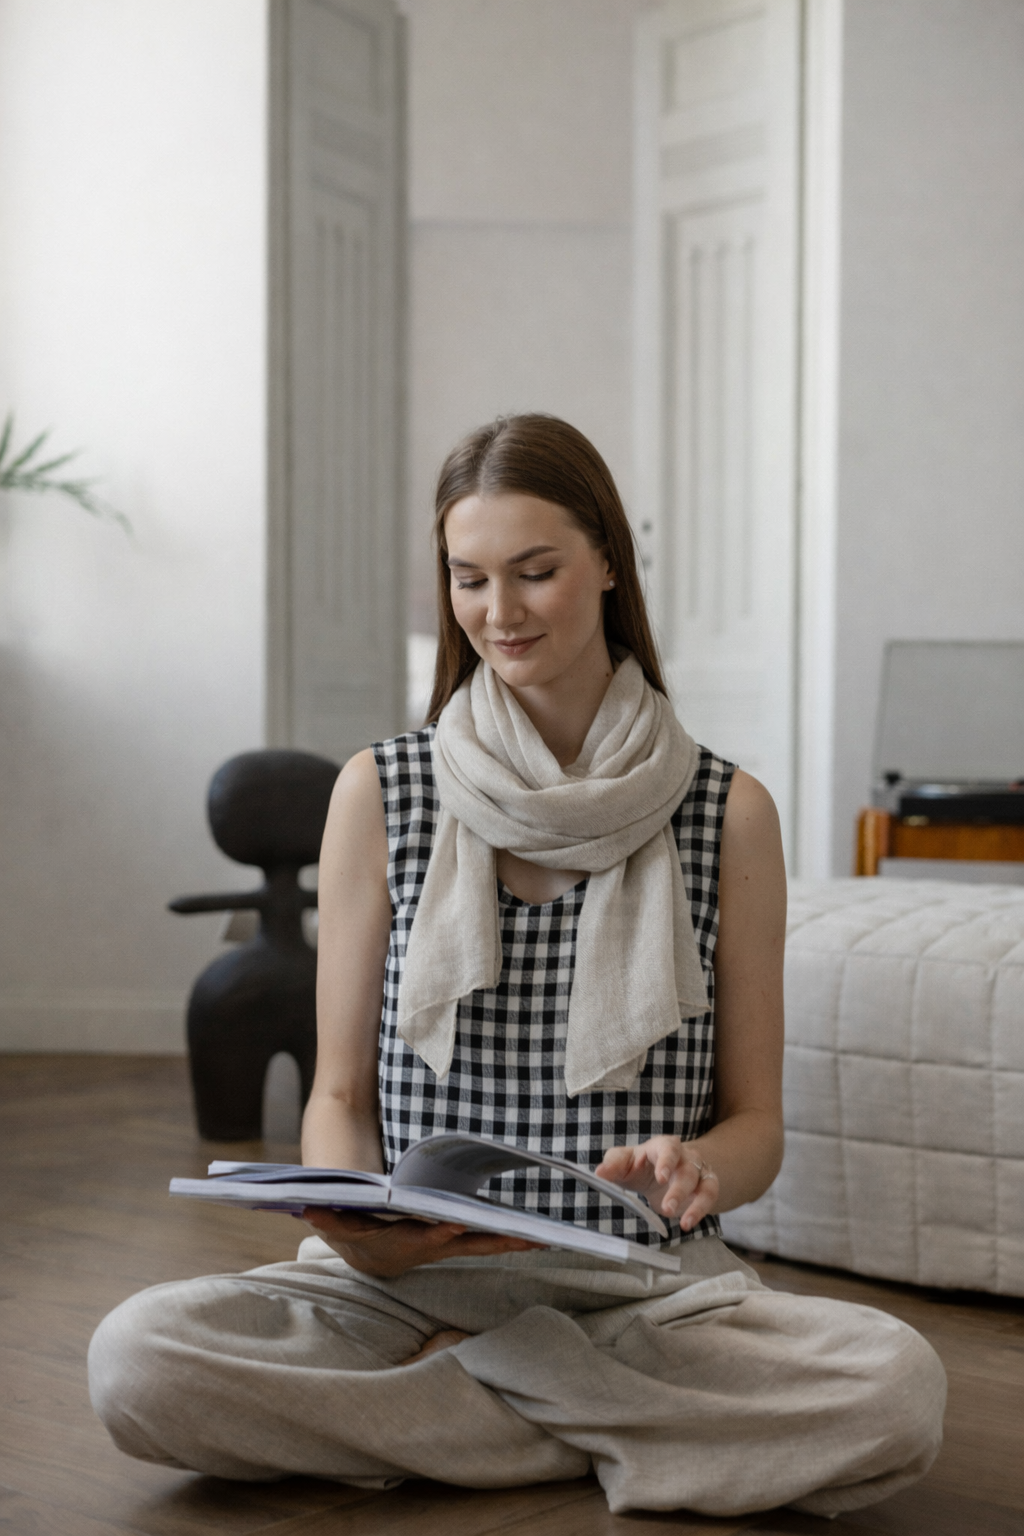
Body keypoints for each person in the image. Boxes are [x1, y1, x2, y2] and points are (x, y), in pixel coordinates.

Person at [89, 415, 945, 1518]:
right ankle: (594, 1433)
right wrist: (360, 1229)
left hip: (640, 1296)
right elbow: (340, 1095)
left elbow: (754, 1127)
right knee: (137, 1360)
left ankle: (457, 1406)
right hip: (399, 1293)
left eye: (535, 572)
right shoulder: (380, 793)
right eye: (469, 578)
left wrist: (701, 1173)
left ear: (604, 563)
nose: (499, 613)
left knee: (895, 1391)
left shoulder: (727, 813)